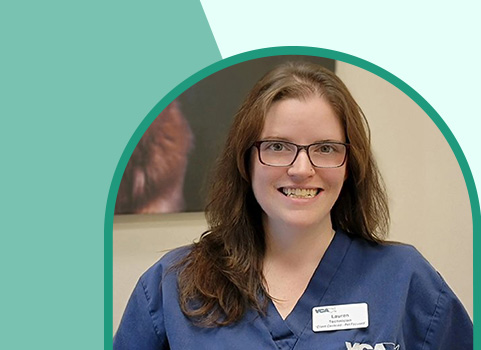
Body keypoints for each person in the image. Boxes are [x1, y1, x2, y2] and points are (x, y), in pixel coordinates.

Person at [113, 62, 473, 349]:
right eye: (278, 146)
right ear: (246, 161)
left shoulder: (403, 278)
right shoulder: (174, 284)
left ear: (351, 165)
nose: (302, 169)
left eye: (326, 148)